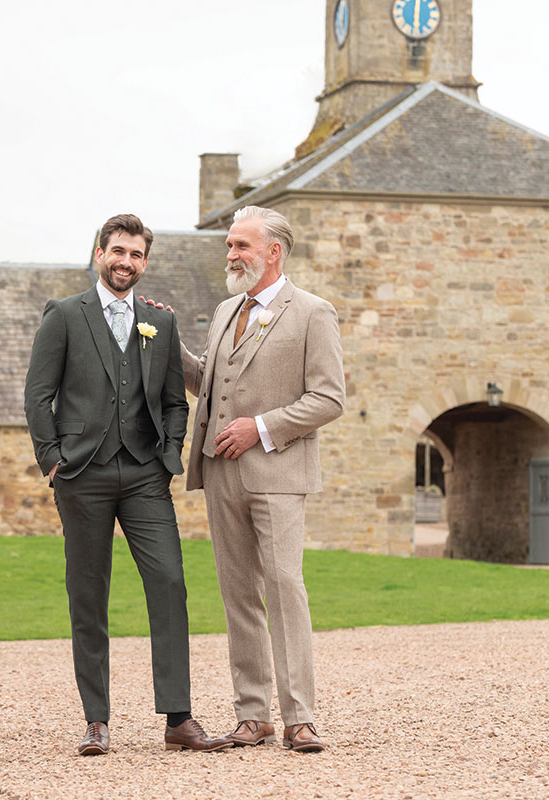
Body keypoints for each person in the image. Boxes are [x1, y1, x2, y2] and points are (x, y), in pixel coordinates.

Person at [24, 213, 228, 756]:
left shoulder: (160, 322)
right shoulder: (64, 315)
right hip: (81, 474)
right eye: (118, 251)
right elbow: (37, 395)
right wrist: (51, 459)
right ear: (99, 253)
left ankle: (179, 720)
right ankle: (96, 721)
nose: (125, 262)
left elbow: (172, 400)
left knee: (170, 584)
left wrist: (168, 456)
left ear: (144, 262)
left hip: (144, 476)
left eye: (136, 255)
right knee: (88, 594)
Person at [179, 205, 345, 752]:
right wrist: (165, 344)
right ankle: (254, 715)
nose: (230, 254)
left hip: (277, 474)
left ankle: (300, 717)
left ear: (273, 251)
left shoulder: (313, 313)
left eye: (240, 246)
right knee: (238, 596)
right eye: (229, 245)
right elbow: (211, 380)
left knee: (284, 589)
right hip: (222, 474)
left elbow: (329, 398)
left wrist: (263, 427)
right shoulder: (227, 309)